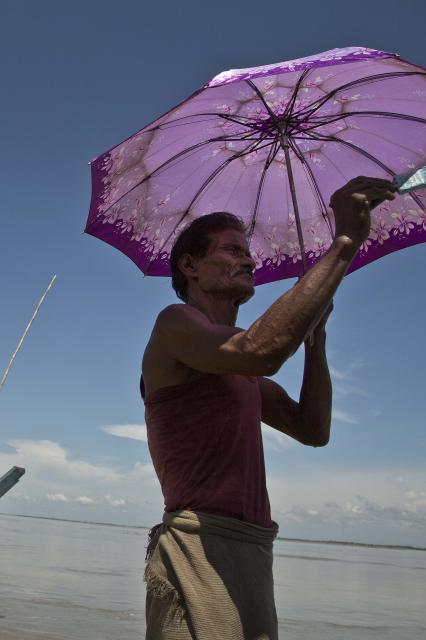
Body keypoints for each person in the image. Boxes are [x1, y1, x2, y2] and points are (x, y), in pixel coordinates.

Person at [141, 177, 397, 640]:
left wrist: (316, 340)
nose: (249, 260)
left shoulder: (244, 376)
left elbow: (312, 429)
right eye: (232, 250)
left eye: (247, 252)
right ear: (190, 265)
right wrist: (343, 242)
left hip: (253, 549)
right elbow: (262, 349)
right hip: (198, 547)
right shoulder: (175, 325)